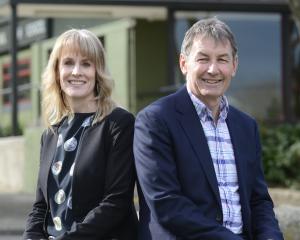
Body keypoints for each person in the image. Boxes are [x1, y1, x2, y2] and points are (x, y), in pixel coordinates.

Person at [134, 17, 283, 240]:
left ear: (234, 66)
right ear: (184, 64)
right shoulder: (155, 121)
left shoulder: (246, 126)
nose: (213, 69)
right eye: (203, 59)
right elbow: (167, 204)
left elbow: (258, 200)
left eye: (222, 59)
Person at [23, 29, 138, 240]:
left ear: (98, 71)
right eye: (68, 63)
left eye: (86, 63)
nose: (76, 71)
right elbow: (41, 206)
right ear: (57, 71)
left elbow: (116, 202)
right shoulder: (50, 133)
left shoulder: (118, 124)